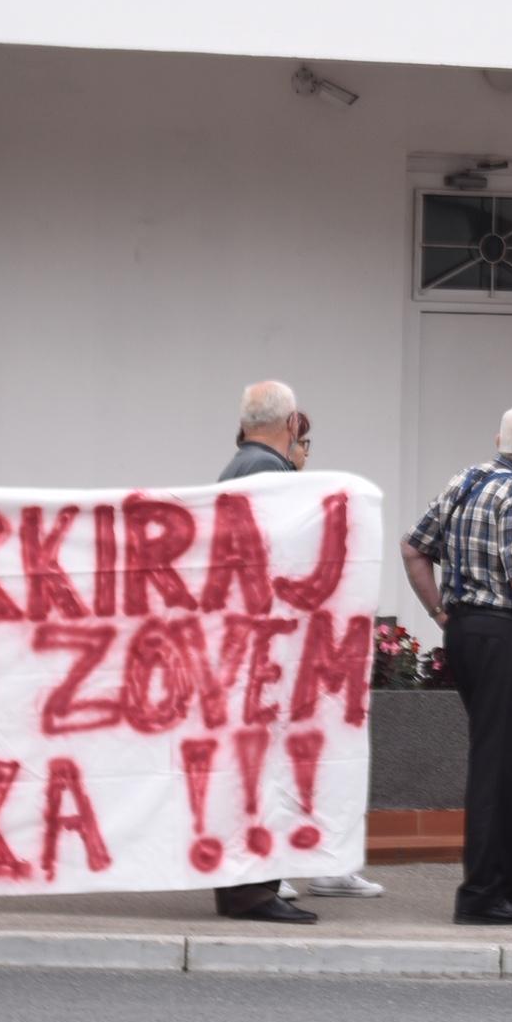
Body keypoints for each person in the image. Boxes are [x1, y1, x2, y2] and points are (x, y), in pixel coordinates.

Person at [405, 405, 512, 927]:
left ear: (498, 440)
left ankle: (504, 886)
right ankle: (483, 892)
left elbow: (414, 550)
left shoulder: (466, 479)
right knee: (500, 765)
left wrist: (441, 610)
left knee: (503, 760)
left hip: (468, 631)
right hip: (507, 636)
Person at [211, 382, 330, 923]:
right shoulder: (271, 475)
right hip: (263, 645)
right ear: (290, 425)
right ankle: (251, 890)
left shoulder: (239, 467)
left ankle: (250, 885)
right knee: (261, 768)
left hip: (243, 641)